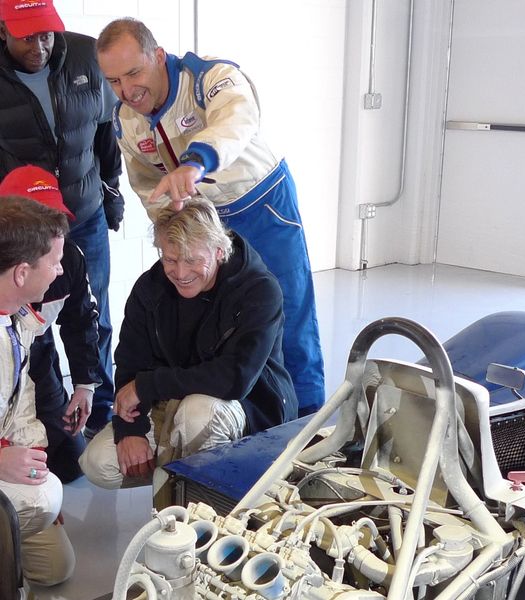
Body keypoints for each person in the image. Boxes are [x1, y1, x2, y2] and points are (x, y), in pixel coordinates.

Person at [95, 18, 324, 417]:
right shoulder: (125, 121)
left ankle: (306, 426)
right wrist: (170, 226)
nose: (127, 91)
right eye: (114, 81)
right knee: (219, 323)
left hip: (261, 203)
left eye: (134, 73)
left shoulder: (210, 77)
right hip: (204, 220)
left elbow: (238, 119)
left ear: (158, 57)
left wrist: (196, 163)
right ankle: (244, 421)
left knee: (288, 315)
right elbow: (149, 185)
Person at [80, 199, 297, 492]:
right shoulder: (149, 289)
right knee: (98, 463)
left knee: (197, 416)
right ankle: (189, 480)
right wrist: (130, 431)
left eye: (192, 260)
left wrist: (148, 386)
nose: (180, 273)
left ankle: (199, 510)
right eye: (170, 259)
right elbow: (130, 364)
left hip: (245, 406)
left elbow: (235, 378)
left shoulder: (259, 289)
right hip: (172, 400)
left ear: (219, 251)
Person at [0, 0, 124, 435]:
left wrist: (112, 195)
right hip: (22, 223)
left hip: (81, 211)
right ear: (3, 31)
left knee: (92, 312)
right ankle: (35, 413)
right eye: (27, 36)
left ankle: (99, 407)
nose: (40, 46)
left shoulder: (87, 56)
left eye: (47, 34)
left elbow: (107, 134)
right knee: (28, 322)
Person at [0, 165, 101, 484]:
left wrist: (84, 385)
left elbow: (81, 320)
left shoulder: (67, 260)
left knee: (68, 464)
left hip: (36, 355)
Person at [0, 196, 75, 586]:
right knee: (41, 499)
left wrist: (33, 465)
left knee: (54, 568)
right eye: (54, 262)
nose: (60, 270)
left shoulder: (16, 318)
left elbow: (21, 404)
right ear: (22, 272)